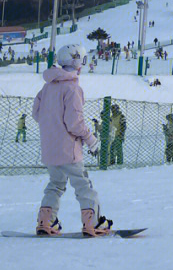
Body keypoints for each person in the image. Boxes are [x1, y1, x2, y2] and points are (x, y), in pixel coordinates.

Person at [31, 44, 112, 237]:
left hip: (50, 150)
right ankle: (93, 223)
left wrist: (52, 128)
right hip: (69, 150)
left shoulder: (47, 87)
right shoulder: (73, 88)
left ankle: (46, 221)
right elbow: (74, 122)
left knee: (55, 184)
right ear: (77, 63)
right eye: (83, 61)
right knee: (84, 185)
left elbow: (36, 113)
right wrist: (91, 140)